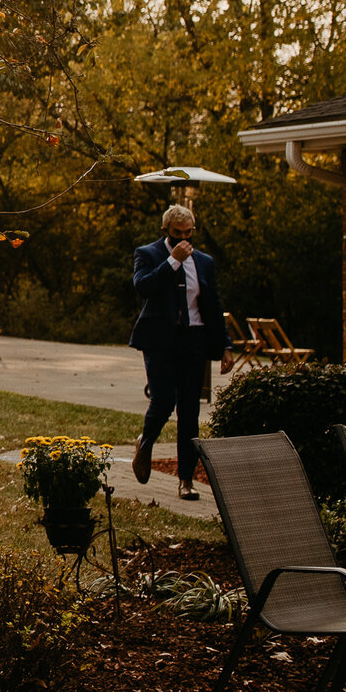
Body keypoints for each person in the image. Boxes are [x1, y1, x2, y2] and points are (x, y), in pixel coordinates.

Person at [129, 203, 228, 499]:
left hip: (194, 341)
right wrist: (172, 261)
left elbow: (213, 304)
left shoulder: (205, 262)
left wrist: (225, 346)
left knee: (189, 411)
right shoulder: (148, 254)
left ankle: (186, 480)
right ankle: (145, 442)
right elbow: (143, 287)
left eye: (188, 233)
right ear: (165, 231)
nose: (184, 239)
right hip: (160, 341)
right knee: (163, 402)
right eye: (177, 233)